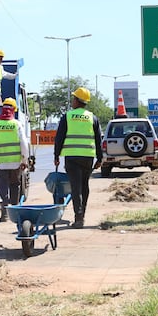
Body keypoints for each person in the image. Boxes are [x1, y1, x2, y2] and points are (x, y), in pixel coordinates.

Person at [53, 87, 103, 229]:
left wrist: (56, 155)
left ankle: (78, 218)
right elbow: (99, 140)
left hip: (72, 157)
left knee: (76, 187)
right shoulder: (92, 118)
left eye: (73, 98)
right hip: (88, 157)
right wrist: (100, 158)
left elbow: (59, 138)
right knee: (84, 186)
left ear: (77, 101)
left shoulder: (67, 116)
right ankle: (82, 215)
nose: (72, 101)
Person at [0, 97, 29, 221]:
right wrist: (24, 160)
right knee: (15, 185)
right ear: (14, 110)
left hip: (1, 163)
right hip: (15, 162)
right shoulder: (17, 124)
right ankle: (15, 212)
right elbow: (24, 144)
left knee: (2, 187)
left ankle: (4, 214)